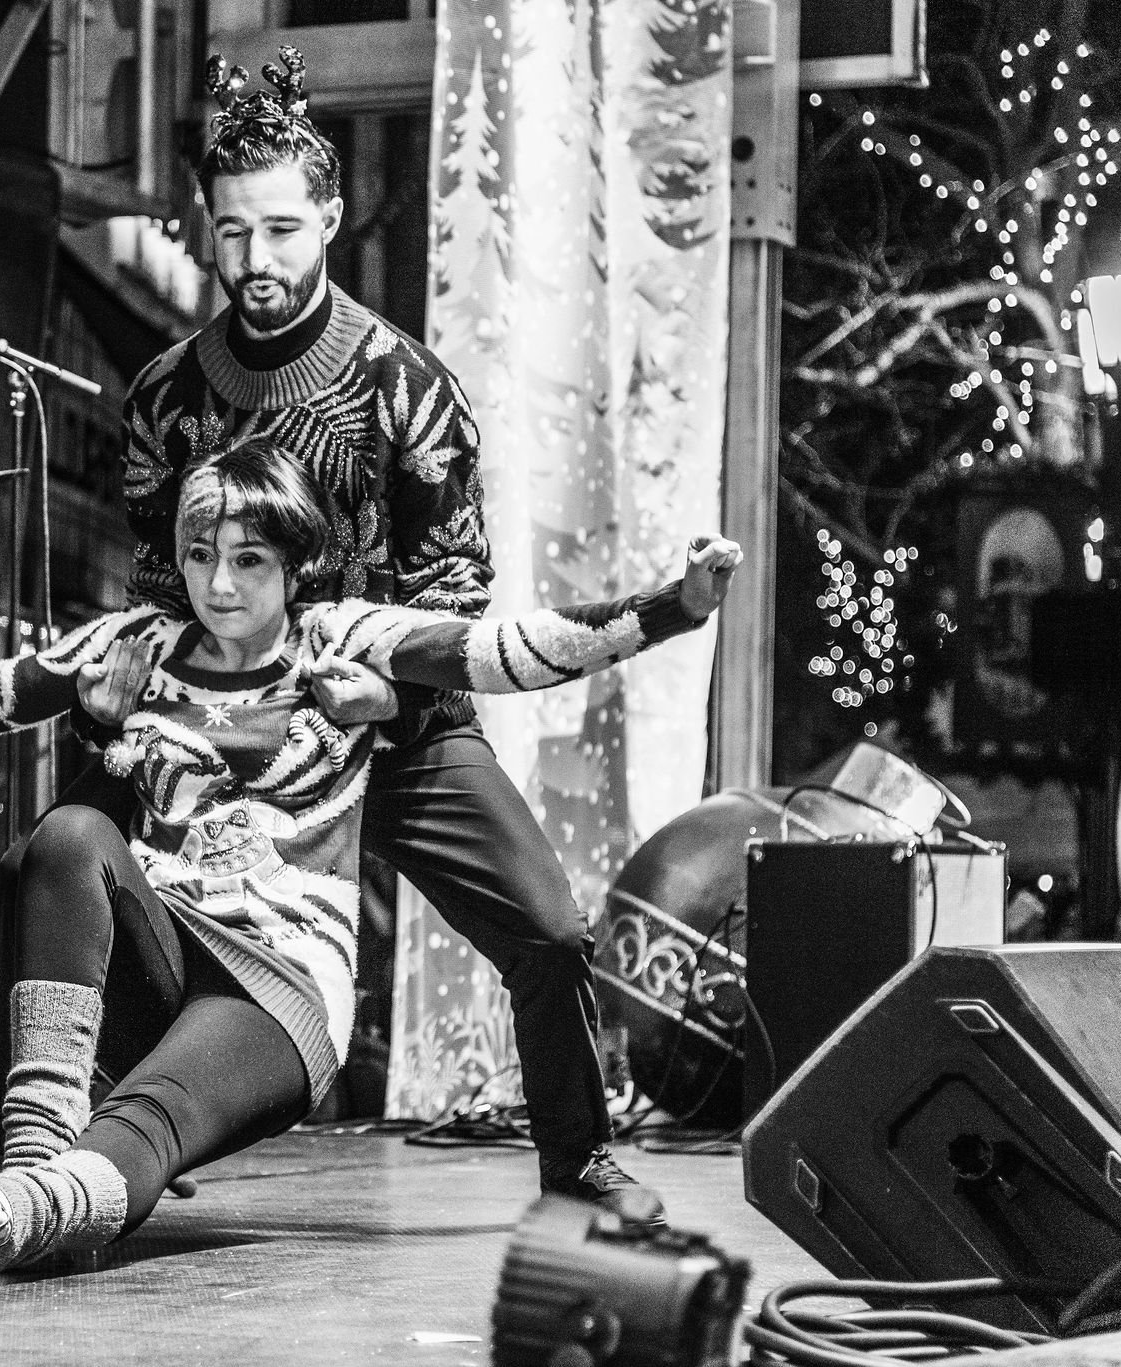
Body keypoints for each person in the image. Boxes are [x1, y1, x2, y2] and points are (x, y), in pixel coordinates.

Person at [0, 436, 741, 1289]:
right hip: (171, 947)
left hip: (276, 985)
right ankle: (26, 1171)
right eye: (198, 555)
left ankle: (36, 1207)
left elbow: (505, 648)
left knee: (150, 1114)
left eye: (247, 559)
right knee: (64, 840)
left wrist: (671, 605)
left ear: (291, 562)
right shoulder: (137, 641)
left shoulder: (343, 637)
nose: (219, 584)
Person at [81, 46, 686, 1222]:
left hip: (387, 722)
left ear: (330, 217)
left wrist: (388, 703)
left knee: (549, 930)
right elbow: (161, 576)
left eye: (281, 231)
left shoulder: (405, 387)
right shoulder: (164, 394)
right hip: (222, 725)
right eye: (232, 232)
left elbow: (454, 590)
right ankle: (81, 1123)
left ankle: (578, 1154)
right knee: (69, 847)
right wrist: (129, 687)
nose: (255, 260)